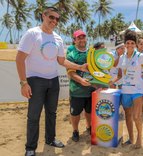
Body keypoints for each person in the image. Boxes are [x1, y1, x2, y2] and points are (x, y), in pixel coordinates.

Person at [16, 7, 89, 156]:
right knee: (33, 116)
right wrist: (24, 83)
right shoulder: (32, 34)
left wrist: (80, 66)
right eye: (51, 17)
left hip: (53, 80)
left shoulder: (58, 38)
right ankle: (30, 148)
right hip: (35, 80)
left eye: (57, 19)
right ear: (43, 16)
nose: (54, 21)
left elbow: (62, 61)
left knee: (52, 113)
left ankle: (50, 139)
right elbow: (19, 59)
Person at [110, 29, 143, 149]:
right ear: (125, 44)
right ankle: (131, 138)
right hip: (125, 90)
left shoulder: (140, 56)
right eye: (128, 43)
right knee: (128, 116)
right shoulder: (122, 58)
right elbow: (120, 75)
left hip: (137, 91)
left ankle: (139, 139)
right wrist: (112, 81)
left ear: (136, 44)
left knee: (136, 116)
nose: (130, 45)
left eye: (132, 43)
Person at [66, 30, 96, 142]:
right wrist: (81, 80)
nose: (82, 40)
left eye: (84, 37)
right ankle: (75, 131)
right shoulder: (71, 54)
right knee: (75, 113)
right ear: (74, 40)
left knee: (89, 111)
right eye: (79, 38)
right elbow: (71, 72)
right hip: (77, 90)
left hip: (91, 89)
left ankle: (89, 127)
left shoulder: (92, 52)